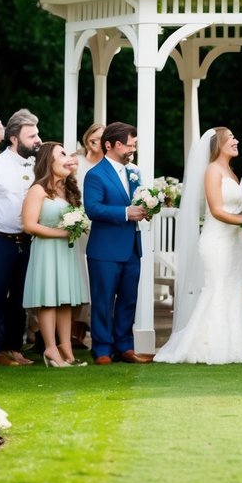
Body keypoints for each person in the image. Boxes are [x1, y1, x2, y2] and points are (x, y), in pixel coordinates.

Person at [156, 128, 242, 364]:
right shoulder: (212, 171)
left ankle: (234, 346)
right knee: (217, 288)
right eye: (231, 138)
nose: (237, 140)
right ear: (218, 144)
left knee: (233, 289)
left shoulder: (231, 172)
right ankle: (206, 346)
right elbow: (217, 210)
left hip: (233, 241)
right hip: (216, 241)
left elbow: (235, 207)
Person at [0, 109, 41, 366]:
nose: (38, 139)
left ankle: (15, 347)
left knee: (20, 298)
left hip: (27, 241)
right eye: (31, 135)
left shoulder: (38, 166)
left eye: (37, 134)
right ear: (13, 138)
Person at [83, 121, 151, 365]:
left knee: (128, 299)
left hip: (132, 246)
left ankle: (125, 347)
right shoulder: (95, 174)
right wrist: (126, 212)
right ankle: (101, 349)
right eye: (129, 145)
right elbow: (93, 208)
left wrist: (146, 209)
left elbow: (137, 201)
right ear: (113, 145)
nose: (132, 150)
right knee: (102, 300)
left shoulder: (134, 172)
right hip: (105, 249)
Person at [21, 142, 89, 367]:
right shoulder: (38, 190)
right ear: (48, 161)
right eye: (62, 153)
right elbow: (29, 225)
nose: (68, 157)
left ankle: (66, 349)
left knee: (65, 301)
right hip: (47, 249)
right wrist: (60, 233)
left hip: (66, 251)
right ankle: (50, 349)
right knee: (49, 300)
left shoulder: (67, 190)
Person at [71, 121, 105, 349]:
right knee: (77, 275)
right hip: (77, 225)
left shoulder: (108, 165)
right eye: (93, 134)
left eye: (101, 136)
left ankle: (82, 330)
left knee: (94, 278)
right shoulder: (76, 162)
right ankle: (71, 330)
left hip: (99, 226)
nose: (95, 138)